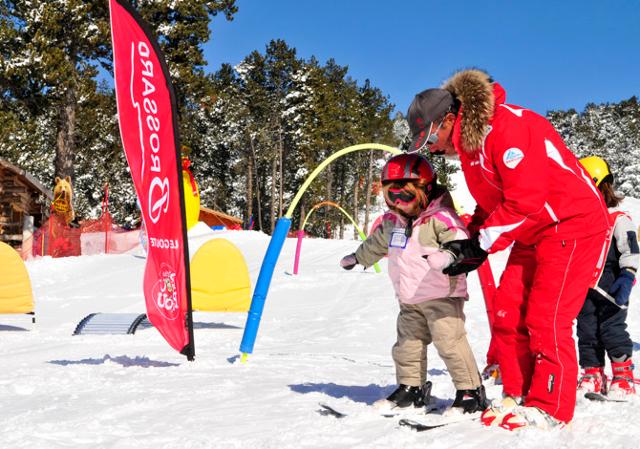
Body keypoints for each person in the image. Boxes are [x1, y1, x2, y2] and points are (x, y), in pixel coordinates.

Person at [406, 69, 610, 430]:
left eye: (431, 138)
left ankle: (550, 407)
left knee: (546, 317)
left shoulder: (508, 128)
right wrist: (465, 240)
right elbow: (492, 202)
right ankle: (519, 392)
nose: (432, 148)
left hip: (572, 224)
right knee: (507, 311)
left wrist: (479, 245)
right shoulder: (470, 148)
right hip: (533, 231)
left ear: (449, 120)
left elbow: (525, 200)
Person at [340, 153, 487, 415]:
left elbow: (460, 241)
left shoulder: (441, 218)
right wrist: (358, 257)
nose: (399, 203)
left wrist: (447, 256)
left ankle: (470, 392)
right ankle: (411, 387)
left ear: (424, 190)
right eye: (391, 196)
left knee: (450, 342)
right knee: (407, 344)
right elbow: (376, 243)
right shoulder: (392, 221)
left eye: (405, 196)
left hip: (441, 295)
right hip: (409, 297)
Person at [576, 156, 638, 400]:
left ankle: (624, 375)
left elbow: (631, 249)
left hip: (613, 287)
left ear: (603, 187)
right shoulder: (579, 220)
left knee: (612, 329)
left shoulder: (618, 218)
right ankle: (593, 373)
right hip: (584, 288)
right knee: (586, 332)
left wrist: (628, 275)